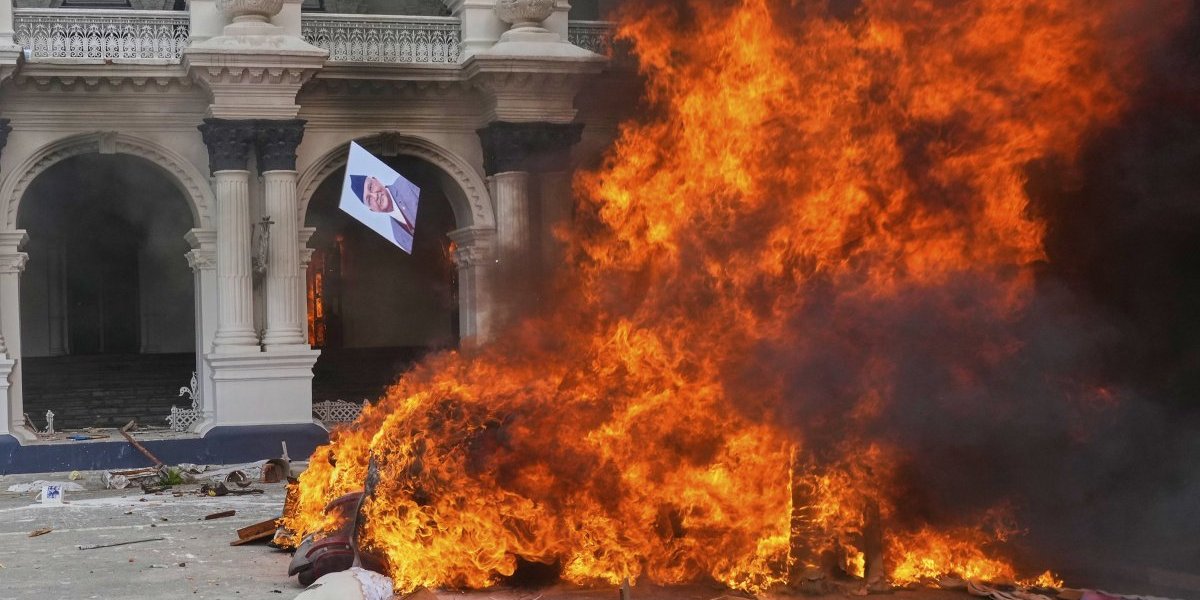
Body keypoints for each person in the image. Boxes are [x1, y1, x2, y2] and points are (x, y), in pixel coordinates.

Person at [348, 174, 417, 240]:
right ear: (372, 210)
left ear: (376, 180)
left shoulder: (407, 182)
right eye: (369, 199)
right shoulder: (398, 236)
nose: (375, 196)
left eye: (371, 187)